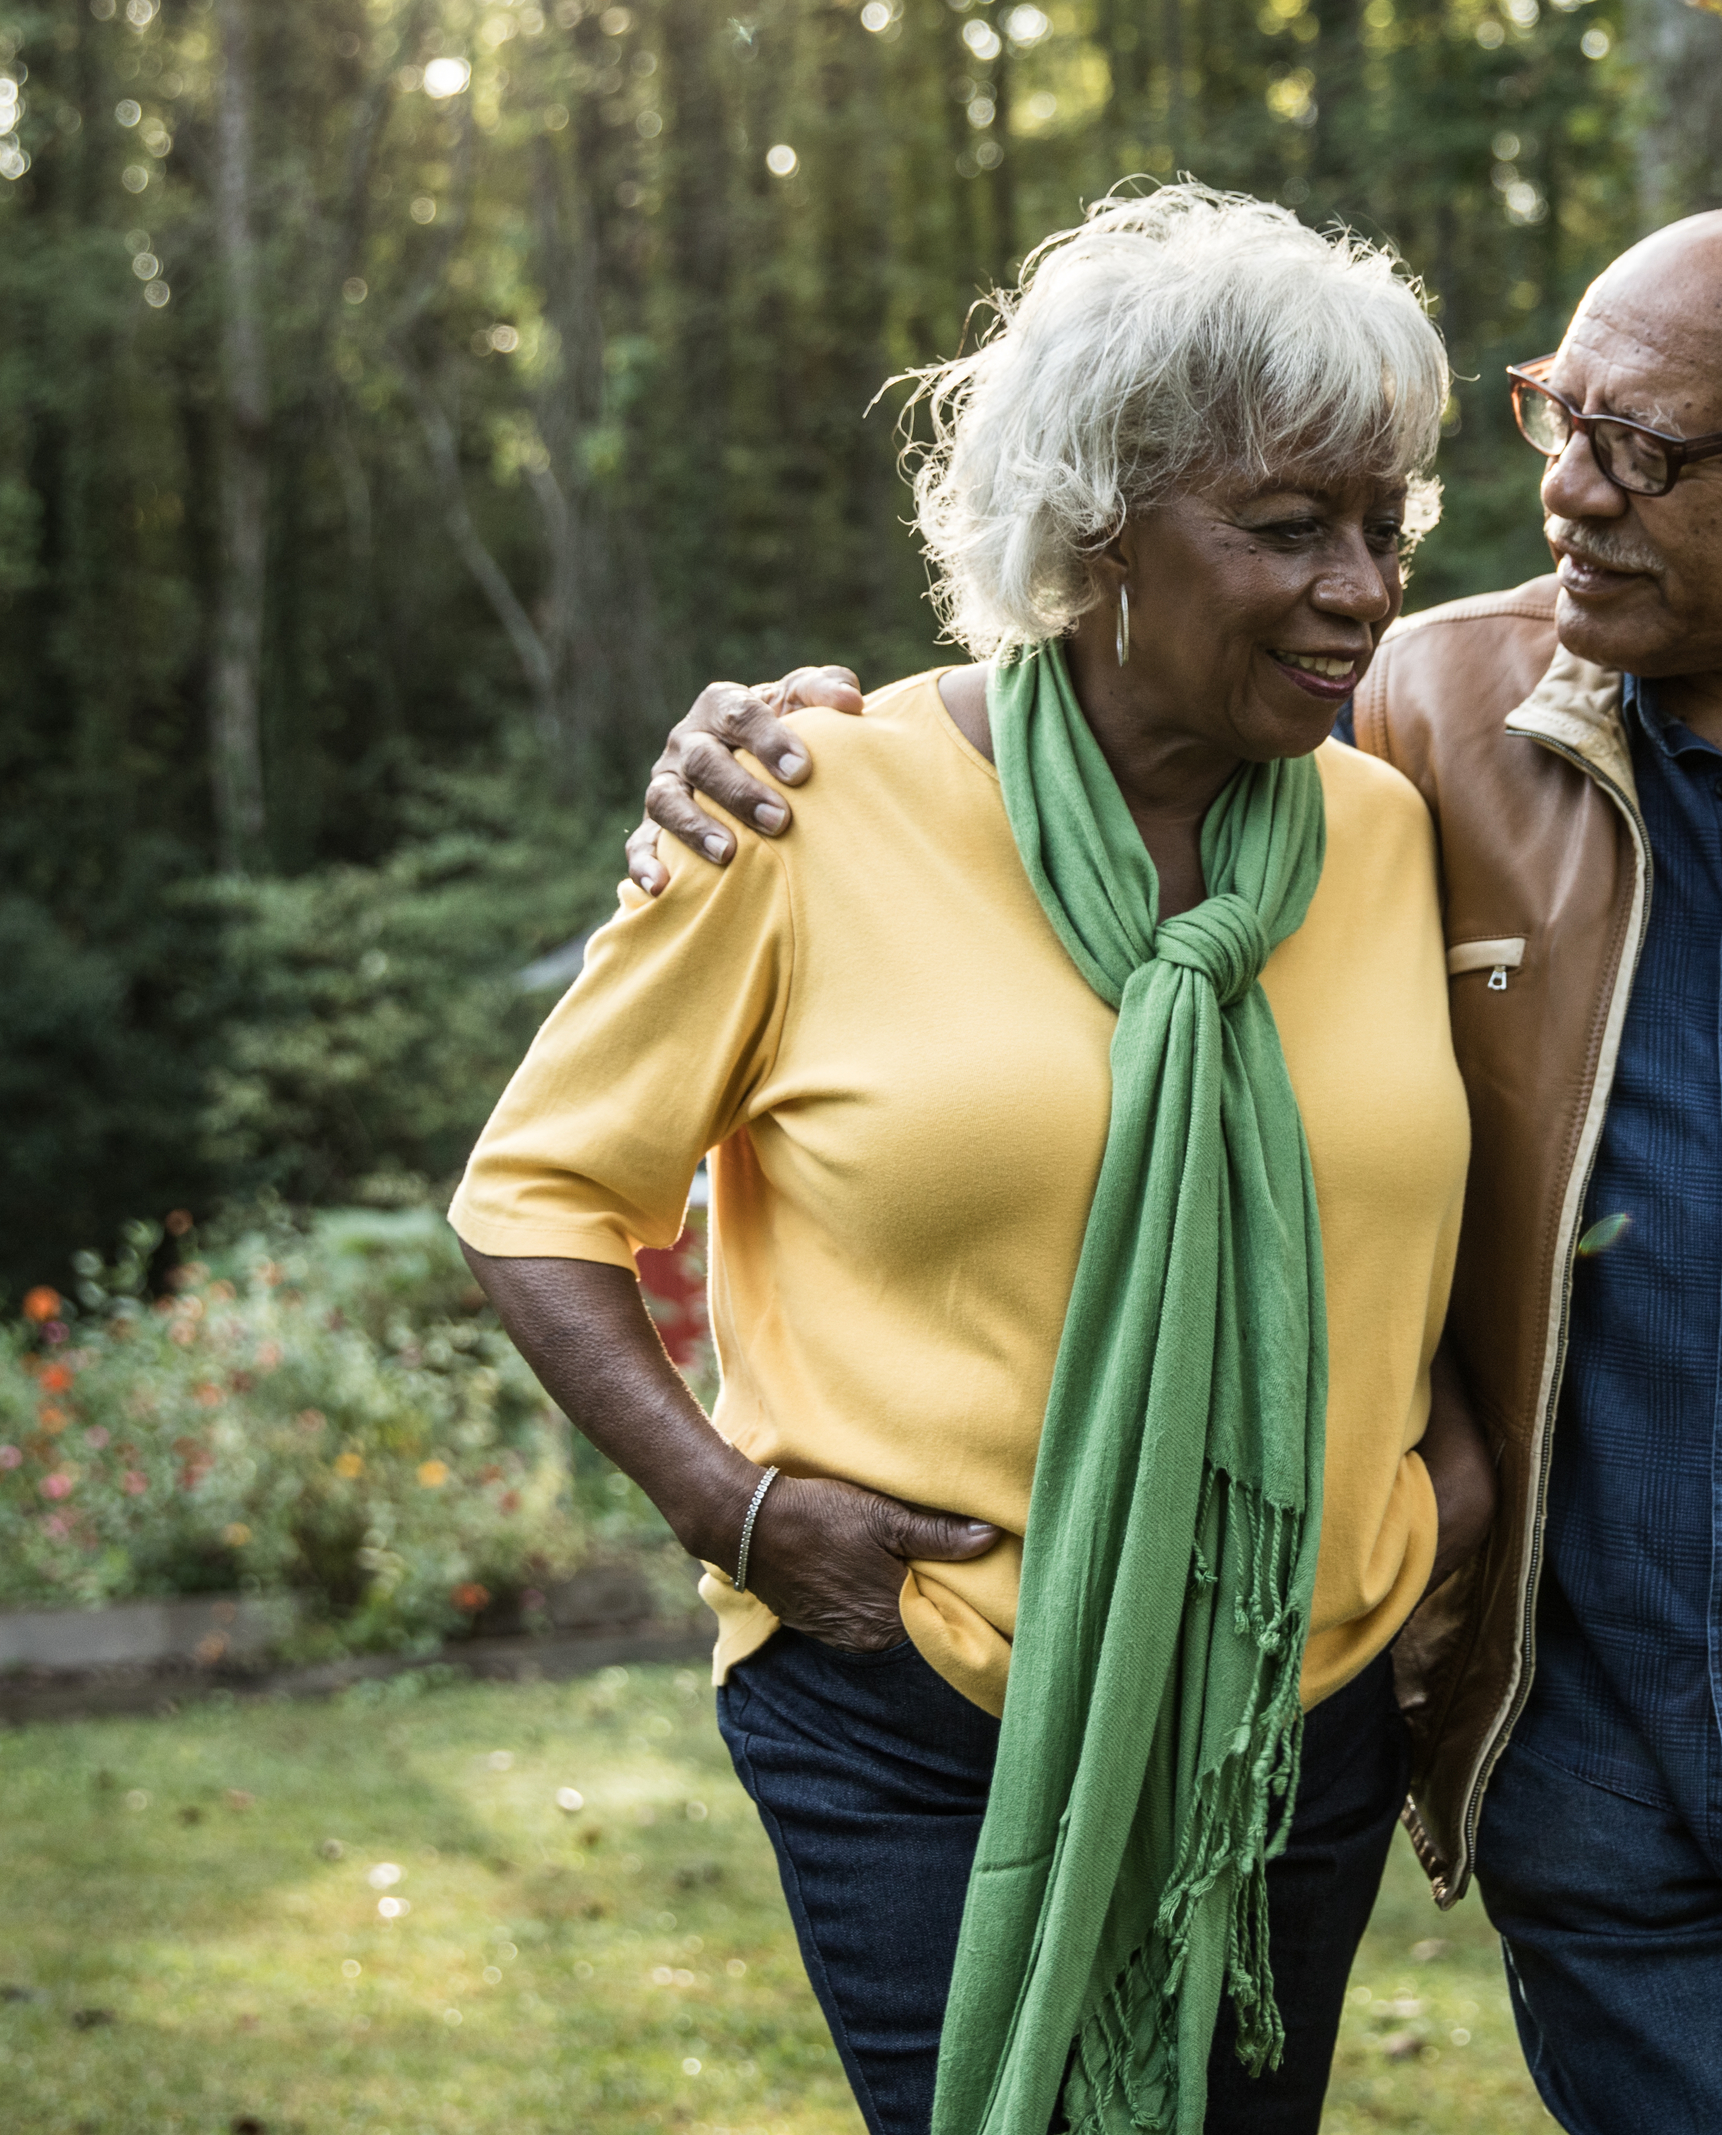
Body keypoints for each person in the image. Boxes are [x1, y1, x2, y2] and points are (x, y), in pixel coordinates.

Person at [641, 200, 1722, 2135]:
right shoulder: (1411, 720)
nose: (1563, 492)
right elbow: (1092, 727)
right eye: (1559, 415)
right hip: (1603, 1752)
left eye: (1641, 449)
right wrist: (778, 734)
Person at [454, 182, 1496, 2135]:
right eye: (1286, 527)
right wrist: (729, 1507)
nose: (1361, 584)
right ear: (1093, 529)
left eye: (1384, 523)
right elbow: (535, 1196)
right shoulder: (807, 799)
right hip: (914, 1683)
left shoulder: (1387, 827)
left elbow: (1419, 1200)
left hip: (1301, 1695)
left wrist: (1443, 1469)